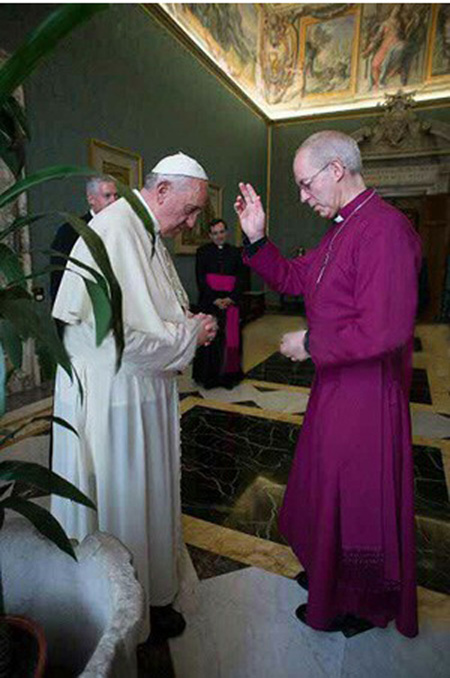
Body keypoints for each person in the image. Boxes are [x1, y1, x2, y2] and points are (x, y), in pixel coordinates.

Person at [234, 131, 422, 638]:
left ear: (336, 169)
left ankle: (355, 602)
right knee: (323, 489)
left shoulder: (384, 230)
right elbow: (297, 278)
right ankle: (330, 577)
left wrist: (313, 344)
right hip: (337, 389)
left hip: (365, 396)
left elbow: (386, 329)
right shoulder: (344, 228)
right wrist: (256, 238)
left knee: (353, 498)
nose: (302, 195)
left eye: (305, 183)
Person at [51, 152, 217, 641]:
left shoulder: (142, 229)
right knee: (126, 498)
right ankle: (130, 604)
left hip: (139, 391)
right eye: (188, 211)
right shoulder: (116, 230)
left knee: (147, 493)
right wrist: (191, 335)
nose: (190, 224)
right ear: (161, 191)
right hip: (115, 397)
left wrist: (186, 325)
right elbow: (117, 338)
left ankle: (154, 591)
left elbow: (153, 311)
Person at [193, 218, 244, 389]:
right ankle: (209, 377)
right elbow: (200, 279)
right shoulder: (202, 252)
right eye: (215, 233)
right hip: (210, 303)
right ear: (210, 235)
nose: (219, 236)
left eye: (221, 232)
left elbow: (241, 279)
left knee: (230, 340)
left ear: (226, 232)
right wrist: (214, 299)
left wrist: (231, 298)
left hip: (231, 303)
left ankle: (229, 378)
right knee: (210, 339)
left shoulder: (236, 253)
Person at [50, 176, 118, 304]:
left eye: (116, 196)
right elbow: (59, 278)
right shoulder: (71, 231)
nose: (114, 201)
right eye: (107, 196)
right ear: (91, 199)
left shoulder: (123, 228)